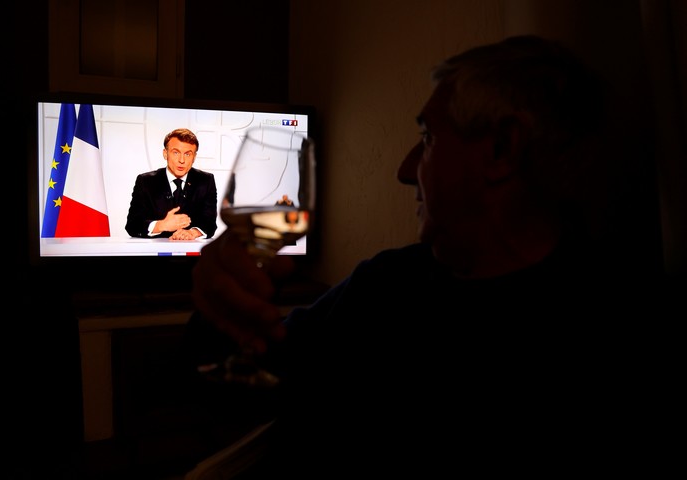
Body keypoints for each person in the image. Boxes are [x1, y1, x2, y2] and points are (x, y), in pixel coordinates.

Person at [186, 35, 670, 477]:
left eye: (428, 138)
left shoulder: (622, 332)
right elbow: (236, 394)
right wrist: (219, 313)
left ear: (501, 150)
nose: (404, 169)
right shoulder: (388, 283)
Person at [125, 128, 218, 240]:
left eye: (188, 154)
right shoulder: (145, 181)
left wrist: (193, 232)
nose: (182, 160)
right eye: (175, 153)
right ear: (165, 154)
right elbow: (132, 225)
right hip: (153, 253)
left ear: (194, 157)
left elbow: (210, 223)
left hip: (191, 253)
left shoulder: (206, 181)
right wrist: (162, 225)